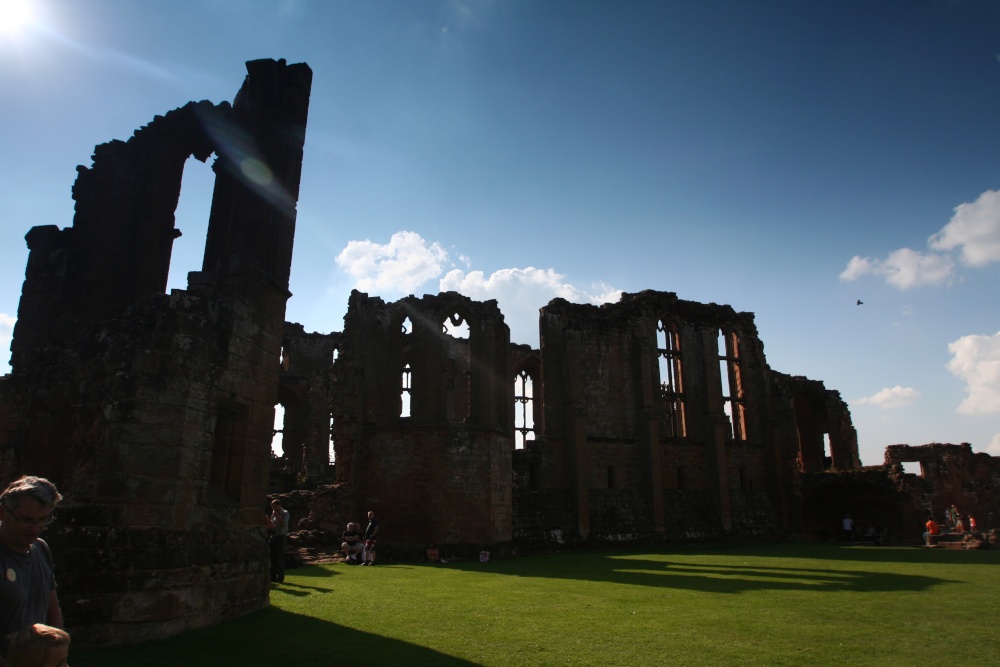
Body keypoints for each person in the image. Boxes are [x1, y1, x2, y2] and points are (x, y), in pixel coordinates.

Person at [0, 477, 64, 664]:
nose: (36, 529)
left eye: (43, 520)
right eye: (27, 520)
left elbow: (52, 610)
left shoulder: (40, 548)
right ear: (3, 512)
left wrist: (59, 656)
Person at [264, 499, 289, 583]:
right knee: (272, 557)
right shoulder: (273, 514)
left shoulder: (285, 513)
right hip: (273, 536)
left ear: (279, 505)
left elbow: (283, 525)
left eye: (274, 506)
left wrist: (277, 516)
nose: (273, 508)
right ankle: (273, 576)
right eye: (272, 507)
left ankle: (280, 577)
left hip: (281, 537)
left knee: (280, 557)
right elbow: (273, 525)